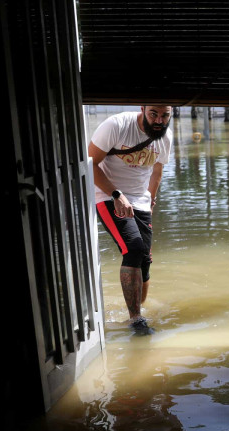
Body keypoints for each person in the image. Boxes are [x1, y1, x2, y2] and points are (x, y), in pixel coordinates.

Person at [88, 106, 173, 335]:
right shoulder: (116, 125)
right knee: (134, 248)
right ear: (143, 109)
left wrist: (151, 201)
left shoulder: (165, 136)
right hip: (108, 195)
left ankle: (138, 309)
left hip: (140, 200)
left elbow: (157, 170)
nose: (159, 120)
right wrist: (116, 194)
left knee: (145, 259)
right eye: (153, 114)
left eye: (165, 115)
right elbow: (90, 164)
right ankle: (136, 320)